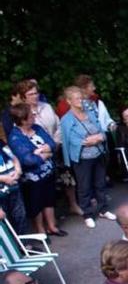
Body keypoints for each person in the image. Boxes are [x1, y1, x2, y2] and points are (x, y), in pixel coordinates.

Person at [15, 80, 82, 217]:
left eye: (36, 92)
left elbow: (58, 126)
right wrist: (44, 150)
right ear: (23, 96)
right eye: (31, 94)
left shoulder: (46, 107)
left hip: (56, 146)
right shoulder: (21, 112)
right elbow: (24, 134)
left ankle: (73, 205)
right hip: (40, 153)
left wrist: (55, 143)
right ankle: (51, 216)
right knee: (46, 185)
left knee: (68, 178)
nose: (35, 96)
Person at [60, 86, 117, 229]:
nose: (81, 101)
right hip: (82, 158)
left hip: (98, 153)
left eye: (81, 97)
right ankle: (87, 214)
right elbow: (70, 141)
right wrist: (90, 140)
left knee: (100, 183)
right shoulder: (66, 120)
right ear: (69, 101)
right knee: (84, 187)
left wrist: (99, 138)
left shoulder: (90, 112)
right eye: (77, 98)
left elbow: (101, 129)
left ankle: (103, 209)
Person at [7, 104, 63, 236]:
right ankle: (40, 230)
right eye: (31, 115)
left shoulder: (37, 128)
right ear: (23, 119)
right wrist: (46, 154)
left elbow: (52, 143)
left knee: (49, 199)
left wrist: (41, 151)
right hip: (32, 177)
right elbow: (28, 160)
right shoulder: (15, 137)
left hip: (48, 172)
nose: (35, 116)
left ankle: (52, 226)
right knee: (36, 204)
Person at [0, 139, 29, 234]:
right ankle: (12, 248)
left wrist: (18, 170)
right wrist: (4, 178)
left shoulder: (1, 143)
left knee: (20, 215)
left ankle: (24, 245)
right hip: (1, 192)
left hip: (13, 186)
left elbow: (13, 157)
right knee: (5, 221)